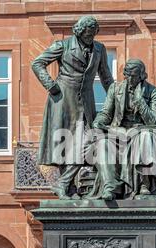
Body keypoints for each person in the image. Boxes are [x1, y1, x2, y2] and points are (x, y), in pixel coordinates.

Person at [32, 16, 114, 199]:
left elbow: (106, 77)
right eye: (87, 34)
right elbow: (37, 63)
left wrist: (116, 98)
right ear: (79, 32)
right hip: (63, 99)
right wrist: (50, 85)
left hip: (86, 99)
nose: (90, 38)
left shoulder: (99, 49)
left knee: (90, 140)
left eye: (93, 34)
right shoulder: (62, 45)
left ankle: (62, 184)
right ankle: (67, 188)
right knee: (65, 142)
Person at [90, 59, 156, 200]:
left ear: (141, 76)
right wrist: (98, 122)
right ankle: (111, 186)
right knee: (102, 143)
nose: (129, 78)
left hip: (141, 129)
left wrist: (140, 100)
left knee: (146, 136)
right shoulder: (115, 89)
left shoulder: (154, 92)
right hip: (119, 131)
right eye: (127, 74)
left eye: (133, 75)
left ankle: (144, 184)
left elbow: (152, 120)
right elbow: (106, 113)